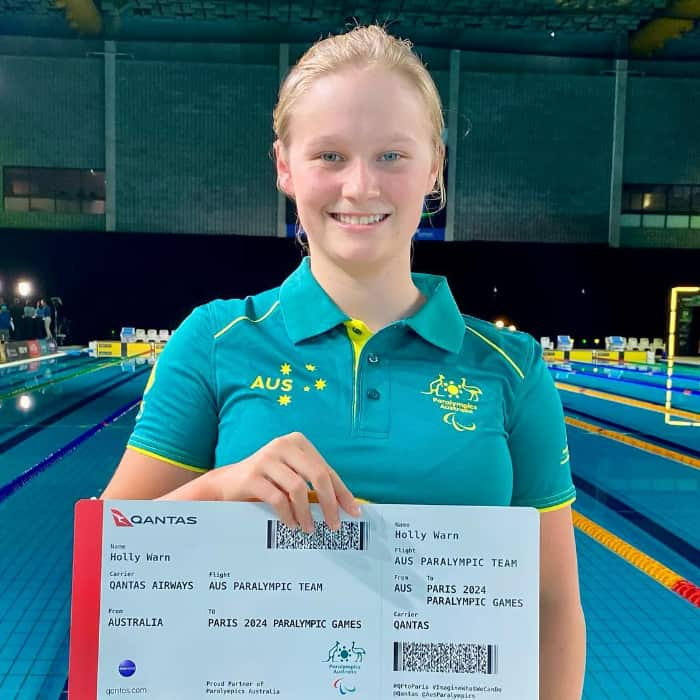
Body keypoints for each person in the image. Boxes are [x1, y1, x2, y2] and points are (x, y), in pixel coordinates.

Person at [101, 25, 585, 698]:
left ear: (435, 166)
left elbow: (553, 603)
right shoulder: (215, 341)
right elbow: (112, 573)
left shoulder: (513, 368)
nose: (360, 186)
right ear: (284, 166)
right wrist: (217, 491)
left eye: (392, 154)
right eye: (330, 154)